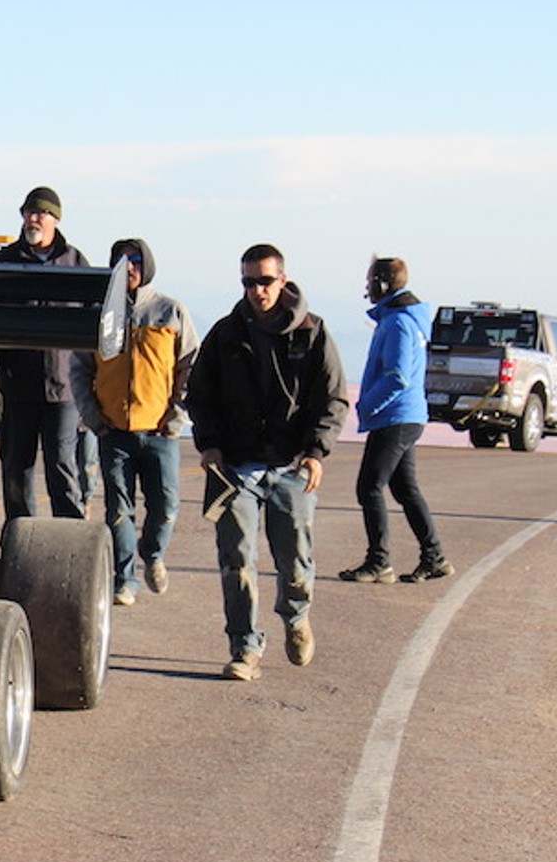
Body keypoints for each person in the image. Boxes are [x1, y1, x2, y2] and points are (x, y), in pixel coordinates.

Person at [185, 243, 348, 681]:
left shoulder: (312, 333)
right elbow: (199, 395)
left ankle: (296, 618)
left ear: (283, 279)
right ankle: (245, 648)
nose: (257, 290)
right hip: (236, 467)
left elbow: (333, 398)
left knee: (295, 558)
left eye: (265, 281)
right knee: (236, 557)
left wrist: (316, 452)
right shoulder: (226, 333)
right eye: (248, 282)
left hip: (291, 466)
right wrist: (210, 445)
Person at [71, 238, 197, 606]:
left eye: (136, 261)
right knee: (118, 511)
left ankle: (153, 555)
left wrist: (175, 417)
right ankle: (125, 579)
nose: (128, 268)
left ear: (148, 265)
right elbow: (80, 369)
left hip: (160, 433)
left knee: (165, 509)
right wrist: (95, 420)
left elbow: (190, 367)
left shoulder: (170, 312)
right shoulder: (102, 317)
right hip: (114, 432)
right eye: (121, 261)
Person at [0, 187, 91, 521]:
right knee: (16, 468)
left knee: (62, 466)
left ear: (55, 218)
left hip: (64, 389)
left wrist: (91, 383)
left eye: (40, 213)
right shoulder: (4, 263)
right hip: (17, 388)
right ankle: (18, 538)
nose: (32, 219)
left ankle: (69, 538)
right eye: (27, 212)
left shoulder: (75, 262)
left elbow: (92, 325)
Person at [340, 256, 454, 585]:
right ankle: (434, 557)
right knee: (405, 489)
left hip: (396, 417)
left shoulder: (399, 323)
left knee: (369, 487)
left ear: (382, 284)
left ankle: (379, 562)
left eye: (369, 282)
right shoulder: (402, 319)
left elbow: (398, 376)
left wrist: (367, 405)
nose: (366, 288)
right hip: (403, 415)